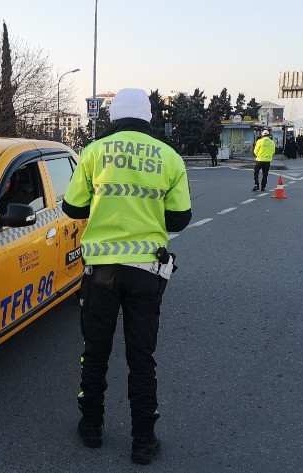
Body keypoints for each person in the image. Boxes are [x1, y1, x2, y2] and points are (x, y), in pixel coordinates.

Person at [62, 88, 192, 465]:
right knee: (141, 358)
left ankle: (91, 429)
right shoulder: (170, 157)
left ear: (113, 116)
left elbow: (72, 207)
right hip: (147, 273)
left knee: (95, 353)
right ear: (148, 117)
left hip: (101, 272)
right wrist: (148, 214)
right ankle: (143, 442)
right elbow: (181, 218)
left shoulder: (94, 152)